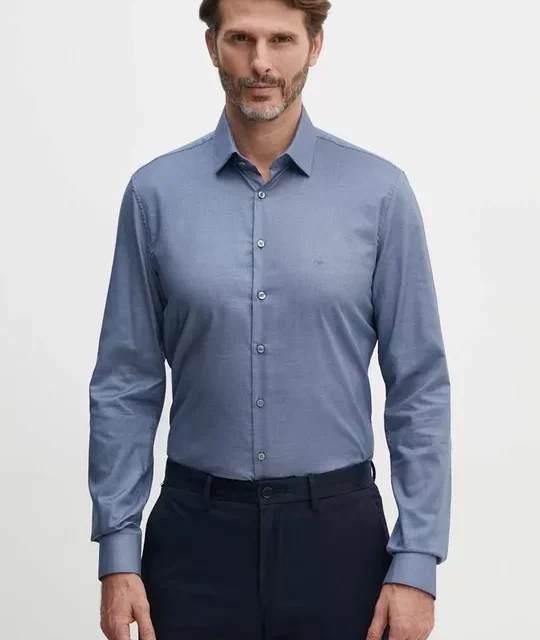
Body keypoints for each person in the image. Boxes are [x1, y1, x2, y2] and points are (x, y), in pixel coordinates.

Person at [88, 0, 452, 638]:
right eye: (241, 39)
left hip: (339, 542)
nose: (261, 62)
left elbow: (419, 385)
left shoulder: (381, 194)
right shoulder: (154, 195)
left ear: (315, 45)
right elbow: (126, 382)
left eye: (281, 40)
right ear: (212, 46)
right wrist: (118, 553)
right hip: (193, 542)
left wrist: (417, 560)